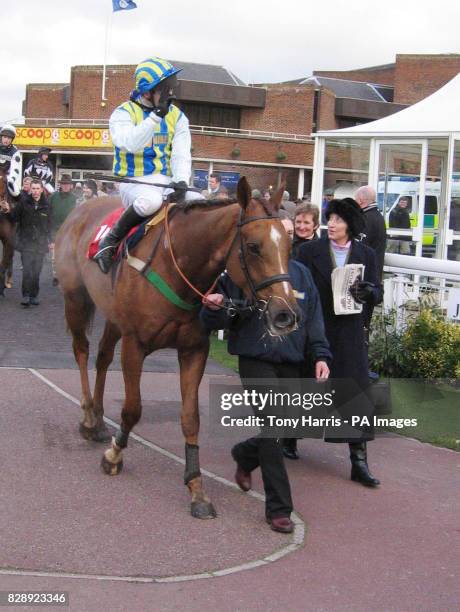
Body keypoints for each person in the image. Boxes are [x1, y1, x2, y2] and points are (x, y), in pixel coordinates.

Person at [200, 262, 331, 533]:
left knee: (290, 425)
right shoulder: (240, 271)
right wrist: (213, 308)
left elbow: (314, 317)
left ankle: (246, 454)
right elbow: (217, 319)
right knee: (273, 428)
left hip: (291, 359)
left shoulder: (302, 273)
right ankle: (279, 509)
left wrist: (320, 354)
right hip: (256, 357)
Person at [296, 197, 383, 487]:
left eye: (338, 220)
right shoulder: (309, 251)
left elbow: (377, 291)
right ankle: (288, 437)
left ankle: (359, 461)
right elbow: (295, 286)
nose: (331, 224)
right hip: (315, 328)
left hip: (349, 330)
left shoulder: (367, 254)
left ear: (351, 224)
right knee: (306, 384)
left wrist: (368, 291)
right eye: (329, 218)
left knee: (354, 391)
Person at [94, 56, 201, 273]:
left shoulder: (178, 117)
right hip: (134, 181)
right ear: (147, 92)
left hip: (166, 180)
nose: (170, 93)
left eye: (171, 87)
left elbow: (181, 154)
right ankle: (109, 241)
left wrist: (181, 180)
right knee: (150, 202)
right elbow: (130, 144)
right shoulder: (122, 113)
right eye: (165, 88)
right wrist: (154, 118)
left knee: (200, 201)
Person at [10, 179, 51, 307]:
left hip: (40, 244)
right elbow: (13, 217)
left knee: (36, 271)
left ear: (42, 189)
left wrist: (52, 240)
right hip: (26, 243)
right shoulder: (23, 203)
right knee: (27, 271)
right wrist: (7, 210)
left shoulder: (47, 205)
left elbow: (50, 225)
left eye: (37, 188)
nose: (35, 191)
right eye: (33, 188)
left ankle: (34, 295)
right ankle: (26, 296)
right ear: (30, 189)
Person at [49, 174, 77, 286]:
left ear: (71, 186)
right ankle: (56, 275)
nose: (65, 186)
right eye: (63, 184)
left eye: (67, 184)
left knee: (67, 255)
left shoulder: (75, 199)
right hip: (54, 230)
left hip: (68, 231)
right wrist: (49, 234)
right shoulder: (53, 197)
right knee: (55, 256)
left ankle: (65, 274)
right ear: (60, 185)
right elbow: (48, 213)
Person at [354, 186, 387, 278]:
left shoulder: (365, 219)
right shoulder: (377, 216)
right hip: (374, 271)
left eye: (355, 199)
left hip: (364, 273)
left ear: (360, 200)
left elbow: (359, 247)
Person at [0, 124, 22, 199]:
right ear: (1, 137)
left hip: (7, 176)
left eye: (9, 138)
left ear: (12, 139)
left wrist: (11, 179)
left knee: (16, 193)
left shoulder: (15, 152)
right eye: (5, 137)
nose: (6, 140)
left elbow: (15, 169)